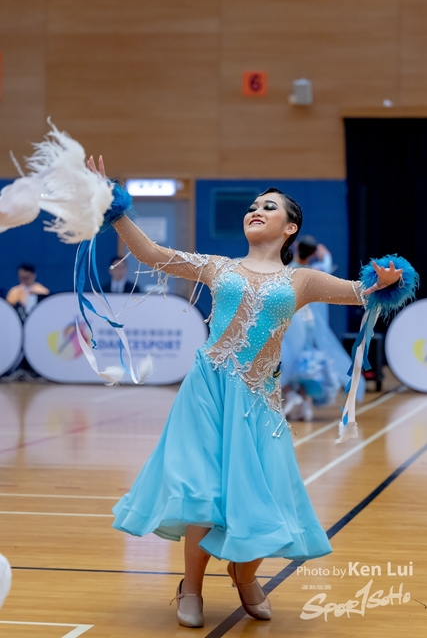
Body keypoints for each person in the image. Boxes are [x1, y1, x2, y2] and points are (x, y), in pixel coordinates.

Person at [88, 156, 403, 628]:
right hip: (208, 390)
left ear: (290, 227)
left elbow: (361, 291)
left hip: (259, 400)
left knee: (263, 494)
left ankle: (245, 574)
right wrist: (115, 209)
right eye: (253, 206)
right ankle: (190, 588)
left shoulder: (302, 280)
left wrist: (387, 281)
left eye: (269, 207)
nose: (256, 210)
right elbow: (151, 254)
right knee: (201, 491)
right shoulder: (219, 267)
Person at [281, 237, 365, 421]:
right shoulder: (315, 272)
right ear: (312, 254)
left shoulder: (289, 271)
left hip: (293, 321)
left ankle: (291, 395)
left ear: (296, 247)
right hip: (309, 321)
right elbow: (326, 265)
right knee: (304, 361)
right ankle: (304, 406)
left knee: (287, 360)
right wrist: (324, 255)